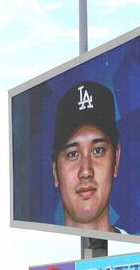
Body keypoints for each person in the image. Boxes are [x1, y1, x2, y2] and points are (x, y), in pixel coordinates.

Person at [51, 81, 123, 233]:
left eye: (98, 151)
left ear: (116, 159)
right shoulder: (39, 255)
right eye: (73, 154)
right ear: (55, 171)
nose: (85, 171)